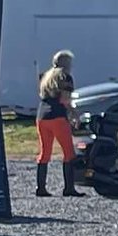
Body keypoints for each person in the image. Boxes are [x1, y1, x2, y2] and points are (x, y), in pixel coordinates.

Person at [32, 50, 81, 196]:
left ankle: (40, 188)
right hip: (57, 117)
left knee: (45, 152)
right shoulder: (65, 77)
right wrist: (74, 114)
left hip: (42, 117)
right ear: (66, 64)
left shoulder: (46, 77)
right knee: (68, 153)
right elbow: (64, 99)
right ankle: (69, 188)